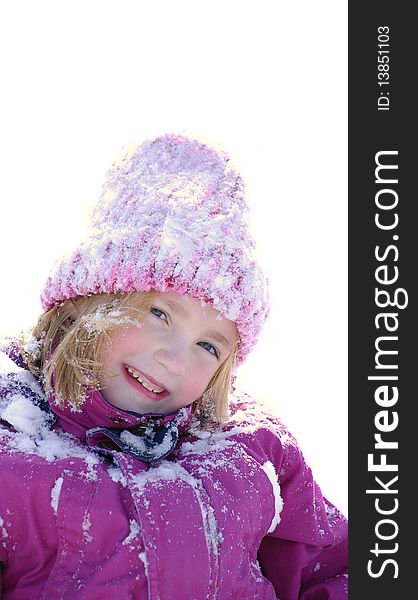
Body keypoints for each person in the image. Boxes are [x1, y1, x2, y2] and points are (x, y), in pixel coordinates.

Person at [0, 133, 348, 599]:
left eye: (208, 346)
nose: (175, 359)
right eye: (158, 314)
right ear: (89, 301)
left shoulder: (251, 450)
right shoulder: (14, 448)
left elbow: (334, 568)